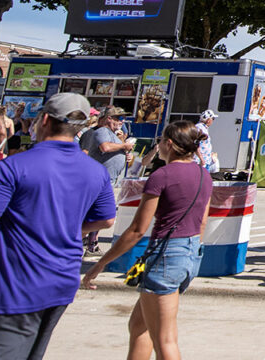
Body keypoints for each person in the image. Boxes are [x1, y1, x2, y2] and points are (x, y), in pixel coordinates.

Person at [0, 93, 117, 360]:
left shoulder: (14, 166)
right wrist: (69, 228)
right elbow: (106, 219)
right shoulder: (94, 171)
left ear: (43, 120)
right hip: (63, 282)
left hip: (17, 285)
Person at [83, 120, 214, 360]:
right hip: (190, 254)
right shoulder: (203, 175)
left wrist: (100, 264)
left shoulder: (161, 175)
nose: (159, 146)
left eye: (161, 141)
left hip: (166, 255)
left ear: (170, 144)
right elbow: (202, 222)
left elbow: (136, 230)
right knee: (139, 326)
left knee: (164, 341)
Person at [82, 106, 135, 254]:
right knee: (99, 213)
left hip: (106, 180)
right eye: (118, 118)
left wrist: (125, 155)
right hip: (97, 179)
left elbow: (112, 149)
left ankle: (92, 244)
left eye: (123, 119)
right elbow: (105, 147)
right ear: (109, 118)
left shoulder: (112, 134)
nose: (121, 121)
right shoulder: (101, 131)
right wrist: (123, 145)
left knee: (98, 213)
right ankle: (82, 241)